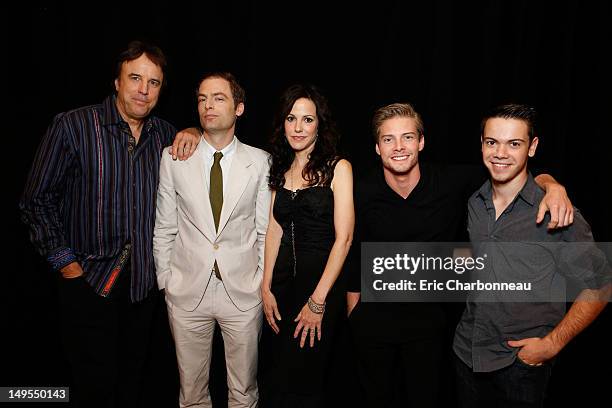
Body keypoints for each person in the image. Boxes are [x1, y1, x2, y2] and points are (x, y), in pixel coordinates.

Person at [346, 103, 574, 407]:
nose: (399, 147)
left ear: (422, 142)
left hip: (428, 327)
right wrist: (354, 315)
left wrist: (551, 184)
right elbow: (353, 250)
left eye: (408, 137)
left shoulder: (452, 182)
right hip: (373, 324)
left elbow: (507, 168)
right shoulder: (362, 189)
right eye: (388, 139)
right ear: (377, 147)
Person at [19, 40, 199, 408]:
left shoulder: (165, 135)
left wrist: (194, 131)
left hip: (143, 290)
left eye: (154, 83)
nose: (143, 90)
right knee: (93, 389)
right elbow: (36, 201)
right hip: (89, 283)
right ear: (117, 82)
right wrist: (66, 265)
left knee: (132, 386)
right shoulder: (72, 126)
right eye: (135, 78)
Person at [453, 104, 611, 407]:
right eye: (492, 142)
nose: (500, 153)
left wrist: (551, 344)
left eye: (514, 143)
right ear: (482, 144)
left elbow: (602, 285)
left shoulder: (557, 212)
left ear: (533, 147)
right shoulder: (475, 201)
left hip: (520, 367)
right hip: (466, 354)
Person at [154, 71, 271, 408]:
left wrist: (259, 284)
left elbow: (263, 230)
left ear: (239, 108)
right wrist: (167, 281)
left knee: (243, 391)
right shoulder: (174, 158)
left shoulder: (260, 162)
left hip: (243, 292)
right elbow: (165, 226)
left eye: (218, 98)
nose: (208, 105)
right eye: (203, 98)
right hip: (186, 290)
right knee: (191, 394)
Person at [259, 84, 354, 407]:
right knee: (277, 377)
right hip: (282, 288)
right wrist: (266, 285)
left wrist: (318, 301)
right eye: (291, 118)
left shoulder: (338, 168)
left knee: (308, 380)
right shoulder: (280, 168)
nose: (298, 128)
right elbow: (274, 229)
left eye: (307, 120)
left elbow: (345, 239)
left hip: (321, 289)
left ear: (319, 124)